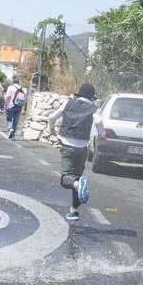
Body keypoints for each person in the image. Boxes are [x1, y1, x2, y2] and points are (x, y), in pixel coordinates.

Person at [48, 83, 105, 221]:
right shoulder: (94, 108)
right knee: (76, 178)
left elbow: (51, 117)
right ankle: (73, 211)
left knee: (66, 179)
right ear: (92, 97)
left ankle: (78, 185)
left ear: (79, 94)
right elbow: (98, 122)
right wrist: (102, 135)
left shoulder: (68, 103)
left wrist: (51, 129)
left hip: (67, 146)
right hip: (82, 148)